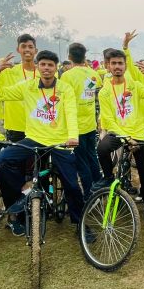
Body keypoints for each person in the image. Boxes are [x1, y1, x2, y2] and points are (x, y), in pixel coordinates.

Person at [0, 50, 84, 237]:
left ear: (56, 68)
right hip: (34, 139)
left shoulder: (65, 89)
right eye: (43, 64)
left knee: (72, 185)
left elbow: (71, 113)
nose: (47, 68)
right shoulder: (28, 86)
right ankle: (24, 189)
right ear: (38, 66)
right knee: (1, 159)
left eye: (50, 65)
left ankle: (80, 223)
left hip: (60, 141)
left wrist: (73, 136)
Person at [95, 48, 144, 226]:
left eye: (120, 63)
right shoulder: (104, 92)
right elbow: (108, 119)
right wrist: (125, 137)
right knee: (102, 148)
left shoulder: (135, 85)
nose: (117, 67)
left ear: (125, 65)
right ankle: (108, 177)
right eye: (113, 63)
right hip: (120, 134)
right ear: (107, 66)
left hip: (138, 133)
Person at [60, 42, 102, 199]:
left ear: (69, 57)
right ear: (85, 56)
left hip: (75, 128)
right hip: (91, 124)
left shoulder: (66, 76)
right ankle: (98, 190)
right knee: (92, 159)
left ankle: (89, 196)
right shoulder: (93, 74)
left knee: (82, 163)